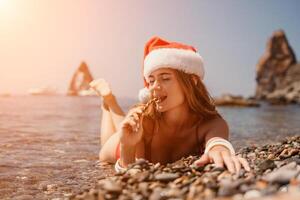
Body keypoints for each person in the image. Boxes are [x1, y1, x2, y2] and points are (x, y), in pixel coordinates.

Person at [90, 36, 250, 174]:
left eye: (165, 78)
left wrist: (220, 150)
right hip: (123, 148)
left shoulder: (212, 123)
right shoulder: (145, 120)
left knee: (121, 125)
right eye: (151, 81)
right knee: (108, 146)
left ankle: (109, 101)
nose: (154, 87)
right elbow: (130, 171)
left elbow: (217, 142)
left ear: (192, 81)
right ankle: (108, 102)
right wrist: (126, 146)